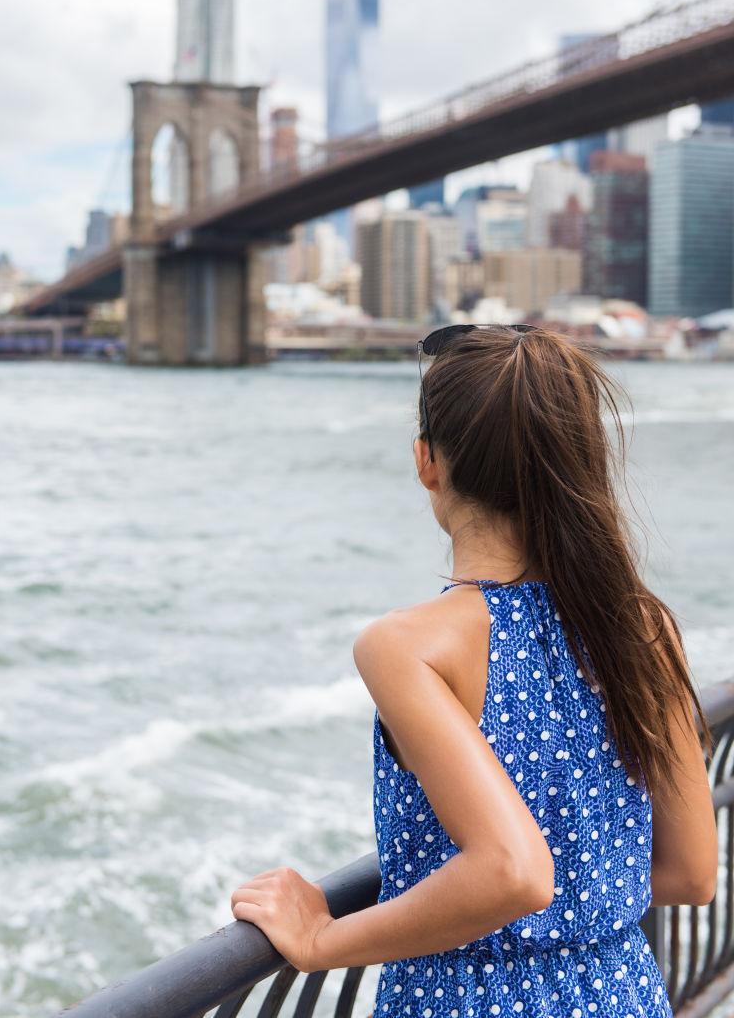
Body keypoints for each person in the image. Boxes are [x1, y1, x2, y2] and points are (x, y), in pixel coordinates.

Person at [230, 324, 718, 1017]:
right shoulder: (642, 628)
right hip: (622, 992)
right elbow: (692, 872)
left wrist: (322, 937)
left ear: (427, 461)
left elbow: (512, 871)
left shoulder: (409, 646)